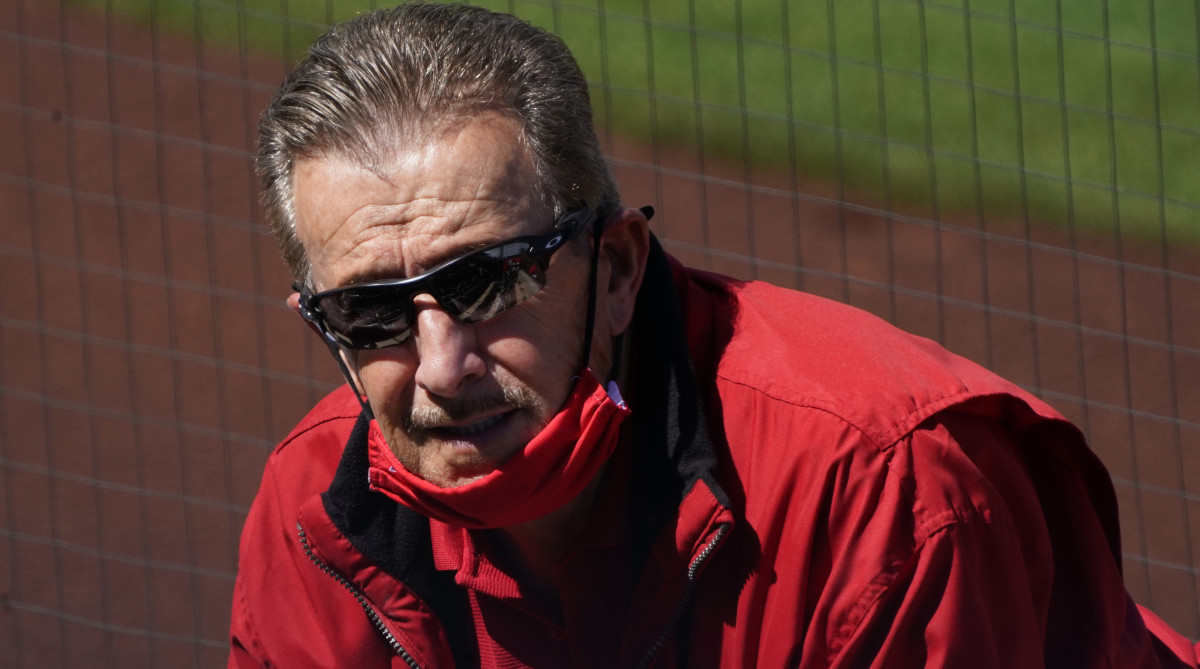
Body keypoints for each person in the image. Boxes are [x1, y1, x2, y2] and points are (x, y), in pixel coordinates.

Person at [228, 3, 1199, 667]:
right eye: (371, 313)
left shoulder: (877, 484)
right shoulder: (311, 513)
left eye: (488, 281)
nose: (441, 365)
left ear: (614, 269)